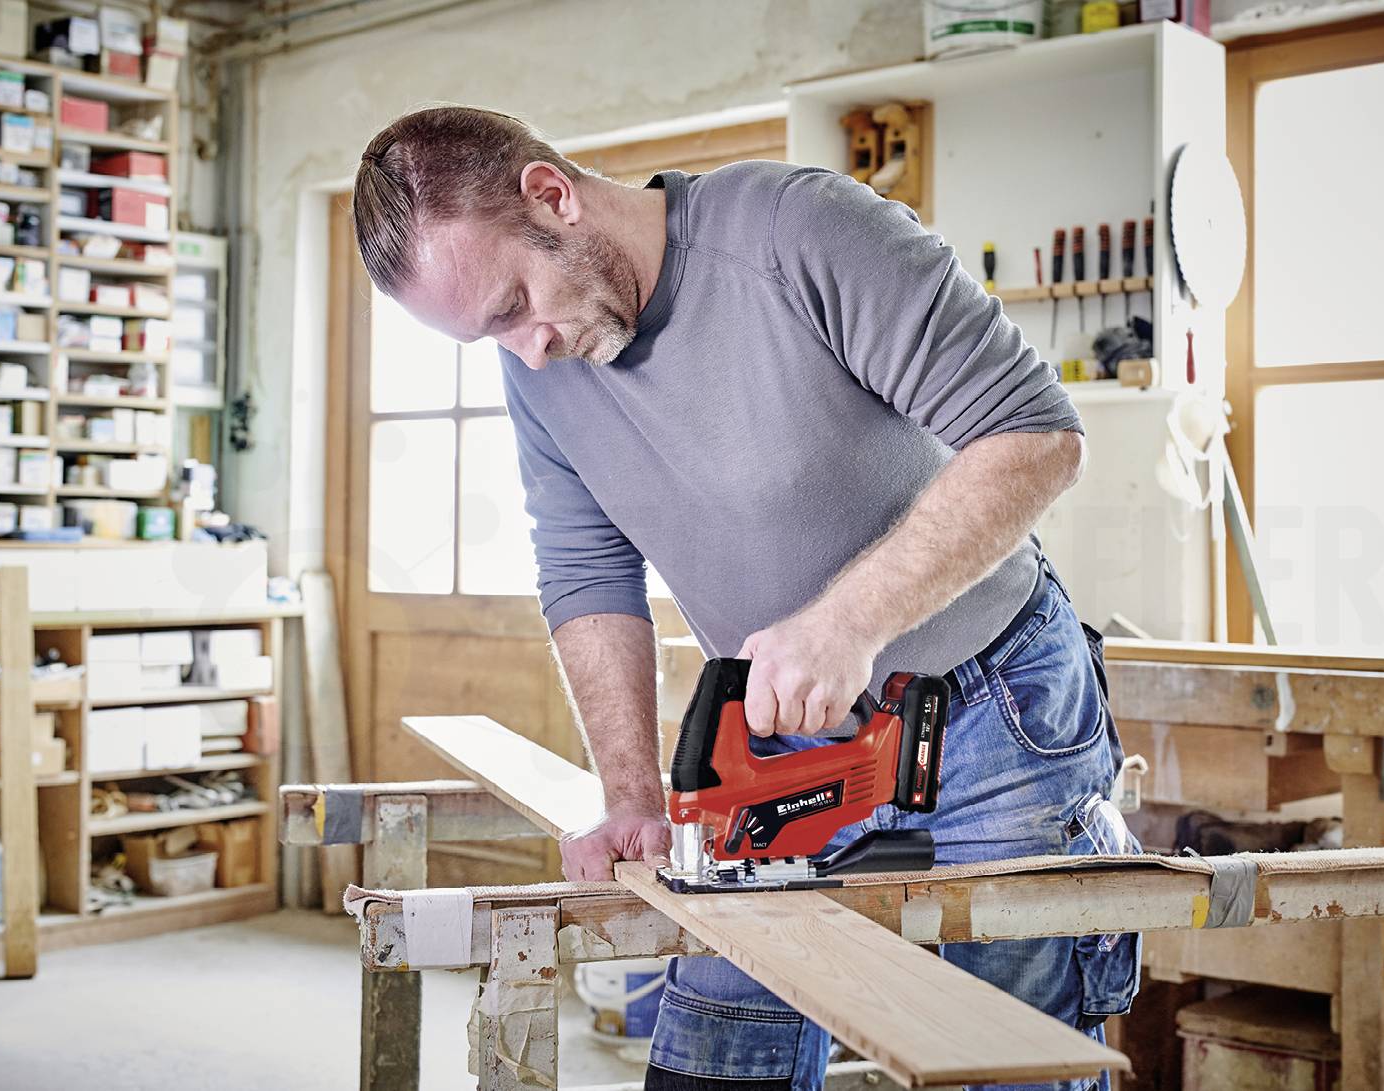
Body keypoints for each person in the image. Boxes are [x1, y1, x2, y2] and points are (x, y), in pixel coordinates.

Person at [353, 104, 1139, 1091]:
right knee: (717, 1057)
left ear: (550, 196)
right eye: (487, 336)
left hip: (989, 709)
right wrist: (633, 792)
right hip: (779, 728)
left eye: (512, 302)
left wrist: (846, 622)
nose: (525, 348)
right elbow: (587, 571)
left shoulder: (795, 232)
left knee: (1010, 1059)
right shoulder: (539, 368)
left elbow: (1034, 433)